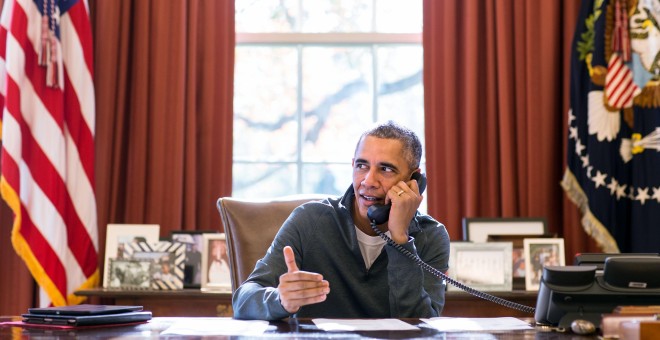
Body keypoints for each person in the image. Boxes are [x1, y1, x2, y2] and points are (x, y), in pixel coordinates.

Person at [232, 121, 450, 320]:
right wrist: (280, 299)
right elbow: (243, 300)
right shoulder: (310, 220)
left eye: (385, 169)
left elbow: (421, 324)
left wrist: (400, 239)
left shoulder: (431, 236)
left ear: (413, 180)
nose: (368, 181)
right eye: (362, 166)